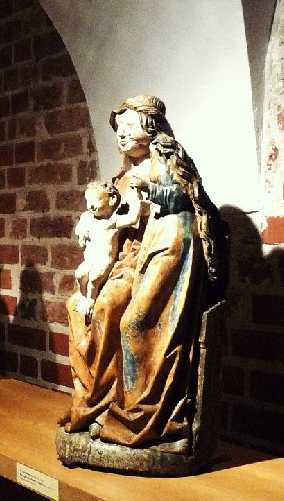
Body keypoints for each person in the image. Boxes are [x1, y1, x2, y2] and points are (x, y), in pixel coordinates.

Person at [61, 95, 227, 454]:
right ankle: (98, 402)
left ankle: (139, 416)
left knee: (135, 324)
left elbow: (184, 199)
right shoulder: (121, 178)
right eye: (118, 129)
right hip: (129, 259)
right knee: (99, 307)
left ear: (150, 128)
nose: (121, 134)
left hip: (163, 252)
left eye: (129, 126)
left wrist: (147, 191)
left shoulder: (166, 157)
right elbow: (112, 229)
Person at [73, 181, 141, 318]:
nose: (91, 205)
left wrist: (137, 196)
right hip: (90, 259)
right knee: (80, 274)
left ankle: (90, 301)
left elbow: (133, 219)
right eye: (88, 201)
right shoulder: (87, 217)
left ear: (112, 200)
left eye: (96, 200)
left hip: (104, 260)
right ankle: (83, 296)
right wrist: (81, 234)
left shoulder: (112, 221)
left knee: (94, 278)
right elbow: (79, 229)